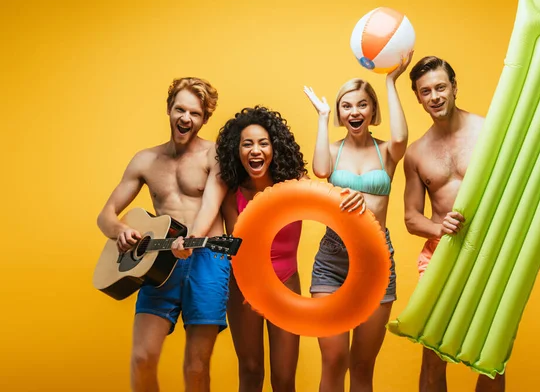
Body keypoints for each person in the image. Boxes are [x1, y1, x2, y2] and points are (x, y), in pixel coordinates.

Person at [403, 55, 540, 392]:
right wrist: (438, 229)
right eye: (426, 91)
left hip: (491, 254)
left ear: (454, 87)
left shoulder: (490, 130)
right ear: (418, 97)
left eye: (440, 87)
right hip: (440, 255)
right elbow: (411, 217)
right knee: (432, 353)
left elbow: (535, 164)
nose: (435, 96)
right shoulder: (416, 153)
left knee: (490, 356)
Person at [217, 106, 365, 392]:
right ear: (237, 150)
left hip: (285, 282)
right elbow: (240, 242)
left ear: (275, 148)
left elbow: (330, 199)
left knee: (284, 379)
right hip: (244, 284)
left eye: (263, 143)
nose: (255, 150)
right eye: (247, 144)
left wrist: (353, 195)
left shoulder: (294, 186)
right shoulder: (230, 192)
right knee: (250, 372)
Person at [96, 77, 230, 392]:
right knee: (142, 358)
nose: (186, 118)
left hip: (207, 259)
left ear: (204, 119)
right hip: (158, 263)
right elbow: (105, 216)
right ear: (169, 109)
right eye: (180, 110)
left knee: (196, 368)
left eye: (195, 114)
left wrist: (192, 237)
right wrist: (120, 231)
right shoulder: (145, 160)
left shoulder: (215, 154)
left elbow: (211, 204)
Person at [303, 53, 412, 392]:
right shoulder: (334, 151)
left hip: (377, 259)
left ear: (372, 111)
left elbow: (401, 135)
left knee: (363, 366)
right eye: (346, 106)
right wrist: (322, 119)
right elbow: (320, 170)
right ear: (340, 113)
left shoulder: (387, 151)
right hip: (333, 260)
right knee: (334, 359)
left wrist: (390, 82)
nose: (354, 112)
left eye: (362, 105)